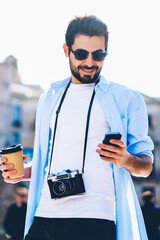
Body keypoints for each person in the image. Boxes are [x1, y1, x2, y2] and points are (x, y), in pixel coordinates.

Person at [0, 15, 154, 240]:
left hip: (95, 219)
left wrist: (126, 159)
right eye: (81, 54)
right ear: (66, 50)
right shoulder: (49, 99)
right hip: (44, 217)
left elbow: (146, 166)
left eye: (99, 55)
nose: (90, 62)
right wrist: (22, 173)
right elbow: (50, 164)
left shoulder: (127, 99)